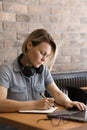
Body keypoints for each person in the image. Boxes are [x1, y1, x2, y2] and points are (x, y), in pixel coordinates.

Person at [0, 29, 86, 130]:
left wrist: (68, 102)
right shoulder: (6, 71)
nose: (44, 60)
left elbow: (57, 93)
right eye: (42, 53)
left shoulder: (43, 70)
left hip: (36, 126)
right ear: (29, 45)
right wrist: (35, 104)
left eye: (47, 56)